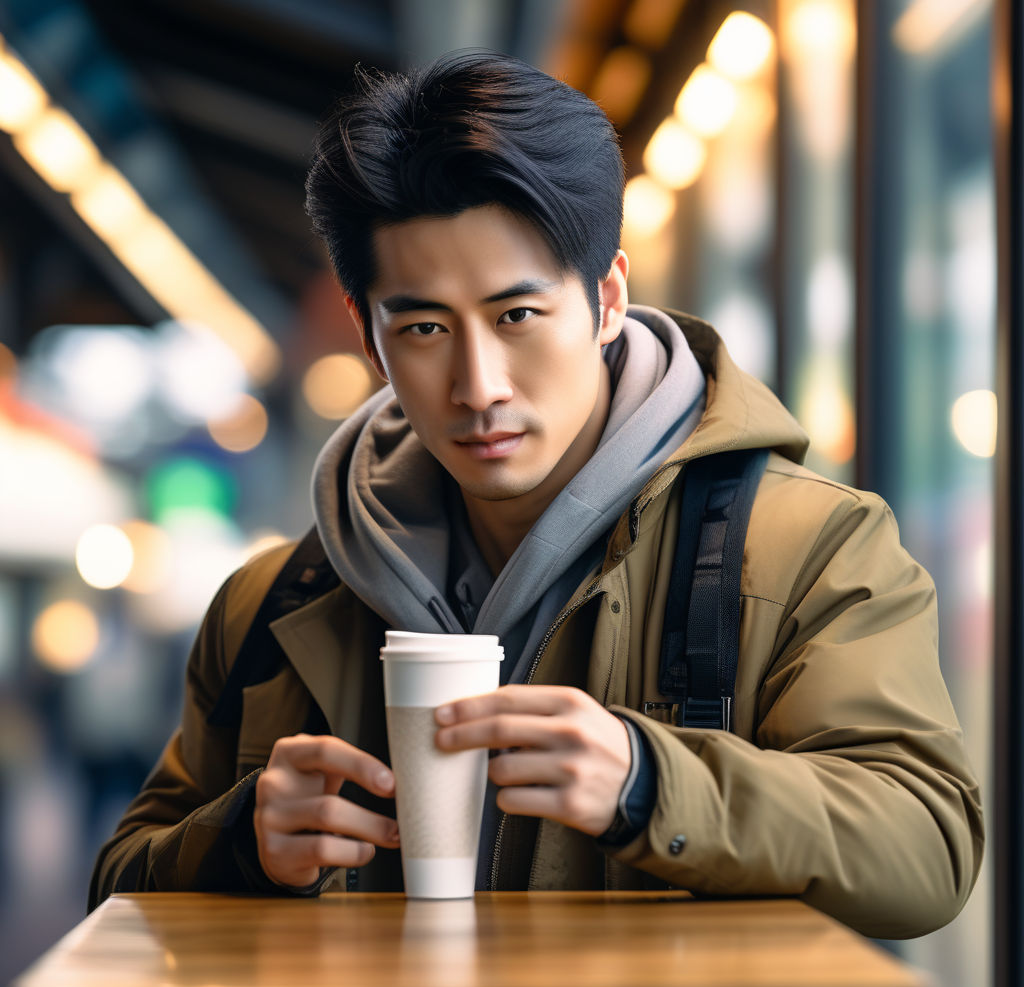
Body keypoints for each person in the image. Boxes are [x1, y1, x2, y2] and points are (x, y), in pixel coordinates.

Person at [89, 50, 983, 939]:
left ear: (606, 301)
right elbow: (120, 878)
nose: (478, 386)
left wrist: (649, 785)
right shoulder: (274, 603)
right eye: (427, 327)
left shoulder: (810, 547)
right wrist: (241, 839)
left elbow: (930, 848)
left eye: (517, 316)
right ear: (370, 337)